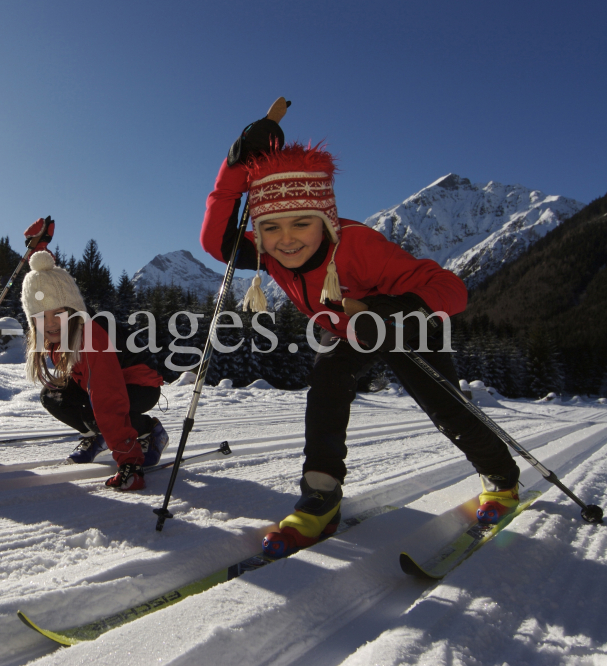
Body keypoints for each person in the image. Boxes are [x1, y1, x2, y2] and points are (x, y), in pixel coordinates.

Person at [200, 100, 521, 558]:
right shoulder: (270, 254)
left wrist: (394, 311)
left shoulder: (358, 246)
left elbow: (450, 289)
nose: (286, 238)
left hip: (407, 325)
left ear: (326, 221)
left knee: (446, 408)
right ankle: (321, 496)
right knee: (326, 388)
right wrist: (236, 166)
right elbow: (217, 241)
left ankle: (502, 479)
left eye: (301, 223)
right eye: (270, 227)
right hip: (346, 330)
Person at [20, 249, 167, 490]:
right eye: (41, 317)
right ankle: (95, 434)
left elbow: (107, 396)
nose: (51, 323)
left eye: (58, 313)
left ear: (73, 311)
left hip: (140, 385)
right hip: (104, 386)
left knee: (96, 411)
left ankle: (149, 432)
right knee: (52, 395)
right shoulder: (55, 338)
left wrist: (128, 461)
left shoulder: (89, 336)